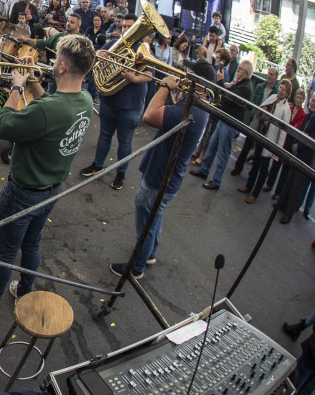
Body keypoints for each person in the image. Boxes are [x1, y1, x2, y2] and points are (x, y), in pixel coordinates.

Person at [0, 35, 96, 320]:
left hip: (23, 190)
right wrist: (33, 79)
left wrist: (17, 86)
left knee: (6, 251)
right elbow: (53, 104)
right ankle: (24, 289)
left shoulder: (47, 110)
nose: (53, 62)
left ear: (61, 67)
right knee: (32, 243)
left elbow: (2, 125)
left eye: (56, 59)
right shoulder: (85, 99)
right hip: (52, 188)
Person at [109, 59, 216, 279]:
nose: (183, 77)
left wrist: (166, 88)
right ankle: (150, 254)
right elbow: (172, 113)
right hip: (168, 175)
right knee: (154, 217)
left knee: (146, 222)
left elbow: (148, 116)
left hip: (160, 175)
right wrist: (167, 93)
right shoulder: (198, 107)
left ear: (200, 83)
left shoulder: (191, 110)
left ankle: (136, 267)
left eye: (189, 74)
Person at [79, 14, 153, 190]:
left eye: (130, 27)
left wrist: (133, 78)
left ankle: (122, 173)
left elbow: (150, 76)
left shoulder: (143, 49)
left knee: (125, 141)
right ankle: (97, 165)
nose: (126, 30)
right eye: (125, 27)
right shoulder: (114, 44)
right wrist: (100, 53)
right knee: (104, 135)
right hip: (110, 100)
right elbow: (97, 55)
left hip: (130, 105)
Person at [189, 60, 253, 189]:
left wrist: (220, 82)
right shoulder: (241, 84)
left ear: (246, 73)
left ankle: (216, 180)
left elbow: (228, 99)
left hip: (230, 122)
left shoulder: (245, 87)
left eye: (240, 69)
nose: (238, 71)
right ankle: (204, 170)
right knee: (212, 145)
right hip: (224, 119)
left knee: (223, 152)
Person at [239, 79, 292, 204]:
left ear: (288, 93)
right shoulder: (273, 97)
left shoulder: (286, 109)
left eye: (283, 90)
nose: (280, 91)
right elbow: (261, 109)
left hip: (270, 141)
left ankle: (255, 193)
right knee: (255, 163)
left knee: (263, 169)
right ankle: (249, 185)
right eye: (280, 88)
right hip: (261, 135)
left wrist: (276, 151)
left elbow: (283, 132)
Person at [278, 93, 315, 223]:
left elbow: (311, 139)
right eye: (312, 100)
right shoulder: (308, 116)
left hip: (305, 155)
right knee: (289, 178)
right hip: (297, 150)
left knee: (297, 185)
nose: (312, 103)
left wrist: (298, 146)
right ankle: (282, 204)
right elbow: (301, 132)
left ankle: (288, 214)